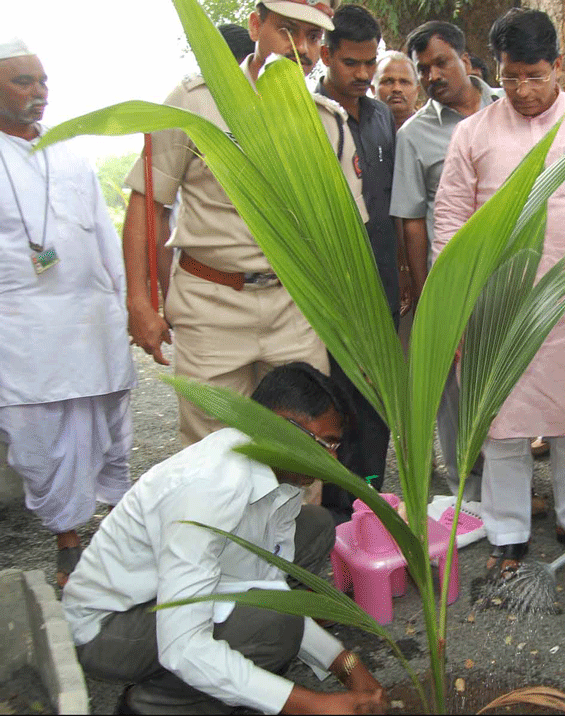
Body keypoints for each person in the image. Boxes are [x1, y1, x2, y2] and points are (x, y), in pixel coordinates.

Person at [62, 363, 386, 715]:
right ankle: (157, 703)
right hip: (109, 628)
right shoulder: (209, 488)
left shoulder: (282, 476)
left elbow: (267, 587)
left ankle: (246, 661)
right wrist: (309, 705)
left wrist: (346, 663)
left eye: (335, 444)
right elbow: (183, 645)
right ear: (280, 427)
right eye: (326, 444)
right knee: (276, 628)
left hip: (171, 597)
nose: (334, 460)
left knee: (316, 526)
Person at [122, 0, 367, 447]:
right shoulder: (194, 103)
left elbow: (347, 236)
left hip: (295, 306)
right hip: (212, 302)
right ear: (256, 25)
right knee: (211, 450)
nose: (304, 50)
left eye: (314, 38)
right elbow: (147, 204)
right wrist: (141, 302)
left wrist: (350, 321)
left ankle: (296, 523)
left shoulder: (327, 124)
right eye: (289, 31)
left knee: (301, 448)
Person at [434, 8, 565, 574]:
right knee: (501, 425)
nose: (523, 89)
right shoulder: (473, 133)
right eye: (511, 77)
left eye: (535, 76)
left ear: (559, 65)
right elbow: (451, 224)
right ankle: (507, 531)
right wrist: (455, 310)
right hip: (497, 309)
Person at [0, 38, 135, 587]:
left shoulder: (70, 150)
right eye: (23, 82)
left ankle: (118, 536)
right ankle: (67, 541)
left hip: (92, 319)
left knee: (106, 429)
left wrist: (125, 304)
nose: (40, 93)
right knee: (39, 442)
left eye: (43, 81)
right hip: (23, 327)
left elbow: (104, 233)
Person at [390, 21, 501, 503]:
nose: (432, 75)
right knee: (454, 388)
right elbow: (412, 219)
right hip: (452, 280)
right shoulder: (414, 136)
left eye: (440, 62)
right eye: (423, 69)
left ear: (466, 60)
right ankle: (467, 491)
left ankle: (507, 484)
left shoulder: (511, 106)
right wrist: (428, 286)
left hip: (515, 273)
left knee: (507, 377)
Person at [316, 3, 399, 520]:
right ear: (325, 55)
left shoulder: (382, 116)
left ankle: (370, 503)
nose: (365, 75)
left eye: (371, 63)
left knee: (376, 406)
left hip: (382, 290)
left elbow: (392, 205)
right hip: (329, 295)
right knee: (333, 405)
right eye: (352, 63)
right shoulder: (303, 119)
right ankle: (332, 513)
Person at [374, 50, 419, 131]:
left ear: (417, 90)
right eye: (388, 82)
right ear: (373, 89)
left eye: (404, 82)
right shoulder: (359, 130)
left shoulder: (432, 130)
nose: (396, 89)